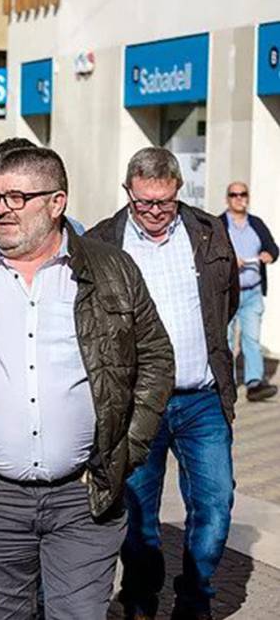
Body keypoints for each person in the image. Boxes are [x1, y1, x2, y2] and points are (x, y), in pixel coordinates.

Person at [0, 146, 174, 620]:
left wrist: (126, 449)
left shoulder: (112, 270)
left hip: (83, 499)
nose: (2, 208)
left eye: (18, 197)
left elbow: (155, 358)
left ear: (57, 202)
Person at [87, 147, 239, 620]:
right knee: (136, 515)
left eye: (164, 203)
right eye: (143, 203)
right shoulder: (101, 244)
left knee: (216, 504)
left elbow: (226, 300)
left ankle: (195, 598)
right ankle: (140, 597)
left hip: (202, 398)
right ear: (128, 192)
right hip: (137, 402)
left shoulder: (209, 233)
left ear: (178, 191)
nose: (154, 213)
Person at [220, 181, 278, 402]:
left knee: (251, 339)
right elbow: (207, 256)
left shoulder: (256, 224)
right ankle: (225, 383)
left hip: (252, 292)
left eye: (243, 194)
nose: (239, 198)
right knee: (224, 339)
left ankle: (254, 383)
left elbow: (272, 247)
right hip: (228, 293)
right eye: (234, 195)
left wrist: (268, 255)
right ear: (227, 199)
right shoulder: (218, 224)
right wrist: (229, 260)